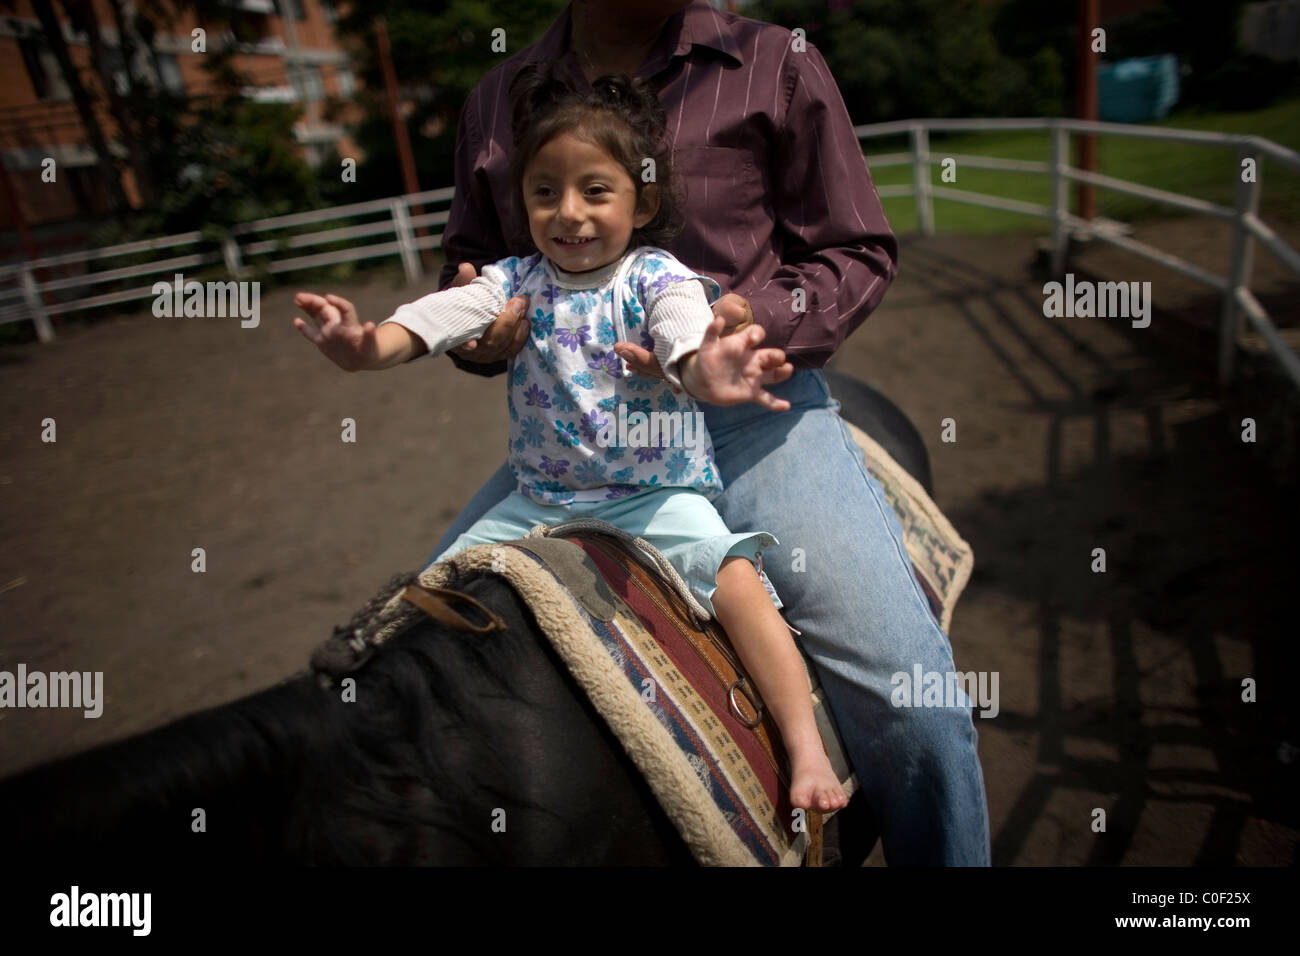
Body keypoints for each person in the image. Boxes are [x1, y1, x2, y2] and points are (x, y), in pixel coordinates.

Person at [415, 1, 988, 864]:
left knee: (909, 695)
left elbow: (855, 250)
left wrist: (746, 320)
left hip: (752, 420)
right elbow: (468, 265)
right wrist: (478, 333)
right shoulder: (497, 99)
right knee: (414, 643)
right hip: (581, 449)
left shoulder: (775, 61)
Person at [293, 65, 849, 815]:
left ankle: (806, 747)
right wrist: (367, 348)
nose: (569, 213)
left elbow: (684, 332)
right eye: (545, 191)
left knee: (740, 586)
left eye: (596, 190)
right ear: (523, 204)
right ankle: (370, 744)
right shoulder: (514, 281)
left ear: (640, 200)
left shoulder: (657, 275)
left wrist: (703, 371)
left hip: (655, 498)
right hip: (539, 500)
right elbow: (436, 316)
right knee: (427, 599)